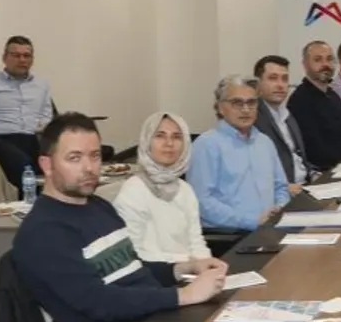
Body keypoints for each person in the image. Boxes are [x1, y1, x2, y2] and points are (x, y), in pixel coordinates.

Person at [11, 113, 226, 322]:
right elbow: (100, 302)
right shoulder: (44, 232)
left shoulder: (98, 207)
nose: (89, 167)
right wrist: (183, 295)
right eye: (75, 158)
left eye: (95, 156)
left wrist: (182, 269)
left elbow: (130, 268)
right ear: (47, 164)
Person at [187, 74, 291, 231]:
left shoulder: (265, 142)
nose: (246, 109)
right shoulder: (206, 145)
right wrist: (252, 221)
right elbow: (201, 201)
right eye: (237, 103)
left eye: (251, 102)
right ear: (220, 108)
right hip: (231, 235)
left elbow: (281, 187)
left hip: (271, 228)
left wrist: (279, 208)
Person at [113, 112, 211, 264]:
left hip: (190, 270)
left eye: (177, 137)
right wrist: (188, 263)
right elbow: (134, 253)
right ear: (147, 142)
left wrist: (207, 264)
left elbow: (196, 242)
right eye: (160, 136)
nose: (169, 143)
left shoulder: (185, 189)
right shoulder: (134, 190)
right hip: (152, 273)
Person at [0, 35, 53, 184]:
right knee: (22, 164)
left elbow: (46, 115)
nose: (22, 60)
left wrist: (46, 128)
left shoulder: (42, 86)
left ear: (32, 59)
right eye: (16, 55)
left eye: (26, 56)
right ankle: (29, 197)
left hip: (32, 138)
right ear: (5, 58)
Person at [287, 40, 341, 170]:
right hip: (327, 170)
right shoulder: (300, 100)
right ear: (305, 64)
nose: (325, 64)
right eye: (318, 60)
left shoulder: (333, 95)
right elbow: (316, 151)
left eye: (329, 59)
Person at [253, 54, 310, 193]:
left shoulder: (287, 115)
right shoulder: (253, 118)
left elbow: (298, 157)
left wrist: (313, 174)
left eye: (284, 79)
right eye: (273, 78)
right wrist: (284, 188)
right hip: (283, 192)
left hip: (305, 185)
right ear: (258, 84)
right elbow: (253, 170)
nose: (280, 85)